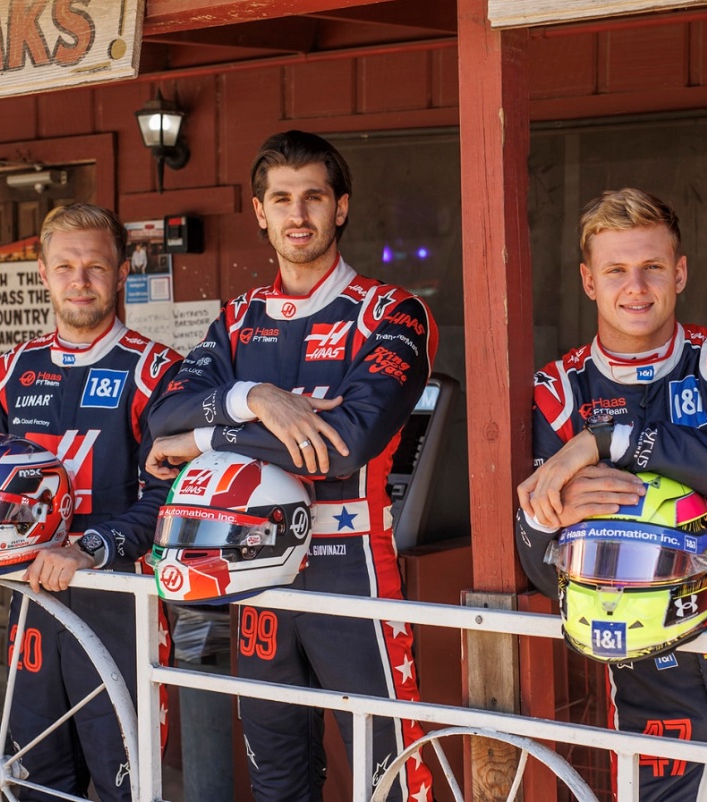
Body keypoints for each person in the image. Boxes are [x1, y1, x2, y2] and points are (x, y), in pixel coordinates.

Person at [146, 130, 436, 802]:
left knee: (387, 772)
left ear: (340, 208)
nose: (297, 214)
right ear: (259, 211)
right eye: (281, 199)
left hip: (351, 561)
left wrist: (207, 440)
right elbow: (163, 416)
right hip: (250, 564)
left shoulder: (392, 313)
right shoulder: (239, 320)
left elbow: (347, 444)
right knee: (277, 771)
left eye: (313, 197)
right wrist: (257, 398)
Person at [516, 188, 707, 801]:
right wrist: (547, 524)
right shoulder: (556, 388)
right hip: (639, 661)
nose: (636, 287)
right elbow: (536, 567)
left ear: (679, 272)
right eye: (616, 271)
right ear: (588, 281)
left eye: (653, 267)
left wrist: (607, 441)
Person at [0, 203, 183, 800]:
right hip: (30, 597)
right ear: (43, 272)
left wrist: (91, 547)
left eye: (95, 266)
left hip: (119, 598)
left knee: (127, 783)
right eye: (65, 266)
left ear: (120, 274)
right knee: (35, 781)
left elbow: (173, 497)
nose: (80, 280)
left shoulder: (158, 369)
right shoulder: (14, 368)